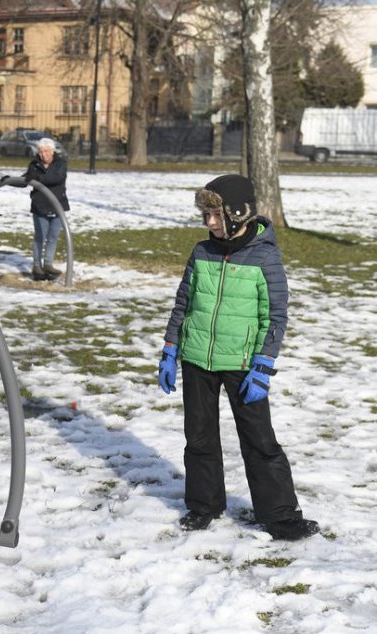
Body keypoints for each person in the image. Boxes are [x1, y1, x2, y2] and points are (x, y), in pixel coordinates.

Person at [158, 174, 319, 541]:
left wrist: (263, 366)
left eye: (215, 214)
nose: (208, 222)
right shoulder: (202, 252)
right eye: (205, 215)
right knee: (198, 437)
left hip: (244, 365)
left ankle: (279, 516)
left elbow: (275, 317)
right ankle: (203, 506)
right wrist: (170, 350)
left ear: (237, 212)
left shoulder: (265, 256)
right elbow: (182, 303)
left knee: (259, 440)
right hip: (198, 358)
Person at [22, 137, 69, 281]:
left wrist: (37, 178)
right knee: (40, 237)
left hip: (57, 206)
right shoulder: (34, 165)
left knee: (53, 237)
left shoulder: (60, 164)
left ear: (53, 151)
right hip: (40, 206)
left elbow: (56, 178)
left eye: (46, 151)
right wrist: (7, 180)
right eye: (41, 151)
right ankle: (37, 266)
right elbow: (26, 179)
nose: (43, 154)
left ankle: (48, 264)